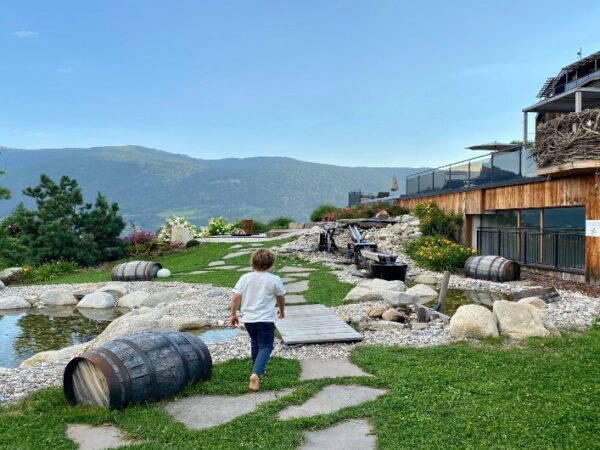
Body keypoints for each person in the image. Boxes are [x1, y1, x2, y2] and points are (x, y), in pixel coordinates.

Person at [231, 248, 285, 392]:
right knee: (266, 346)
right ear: (271, 263)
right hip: (266, 320)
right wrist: (281, 309)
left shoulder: (245, 278)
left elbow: (235, 297)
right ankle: (256, 374)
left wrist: (233, 314)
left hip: (249, 320)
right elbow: (280, 297)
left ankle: (257, 370)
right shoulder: (274, 279)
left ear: (252, 262)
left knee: (255, 343)